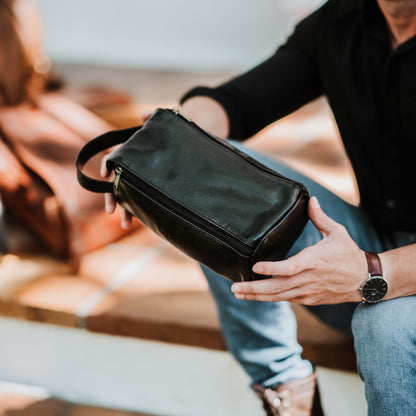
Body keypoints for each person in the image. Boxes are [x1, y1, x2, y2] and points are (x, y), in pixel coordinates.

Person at [103, 0, 416, 414]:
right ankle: (287, 386)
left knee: (387, 325)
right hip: (370, 247)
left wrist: (375, 273)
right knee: (200, 170)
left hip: (385, 273)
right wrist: (160, 149)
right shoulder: (341, 20)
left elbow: (375, 280)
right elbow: (238, 102)